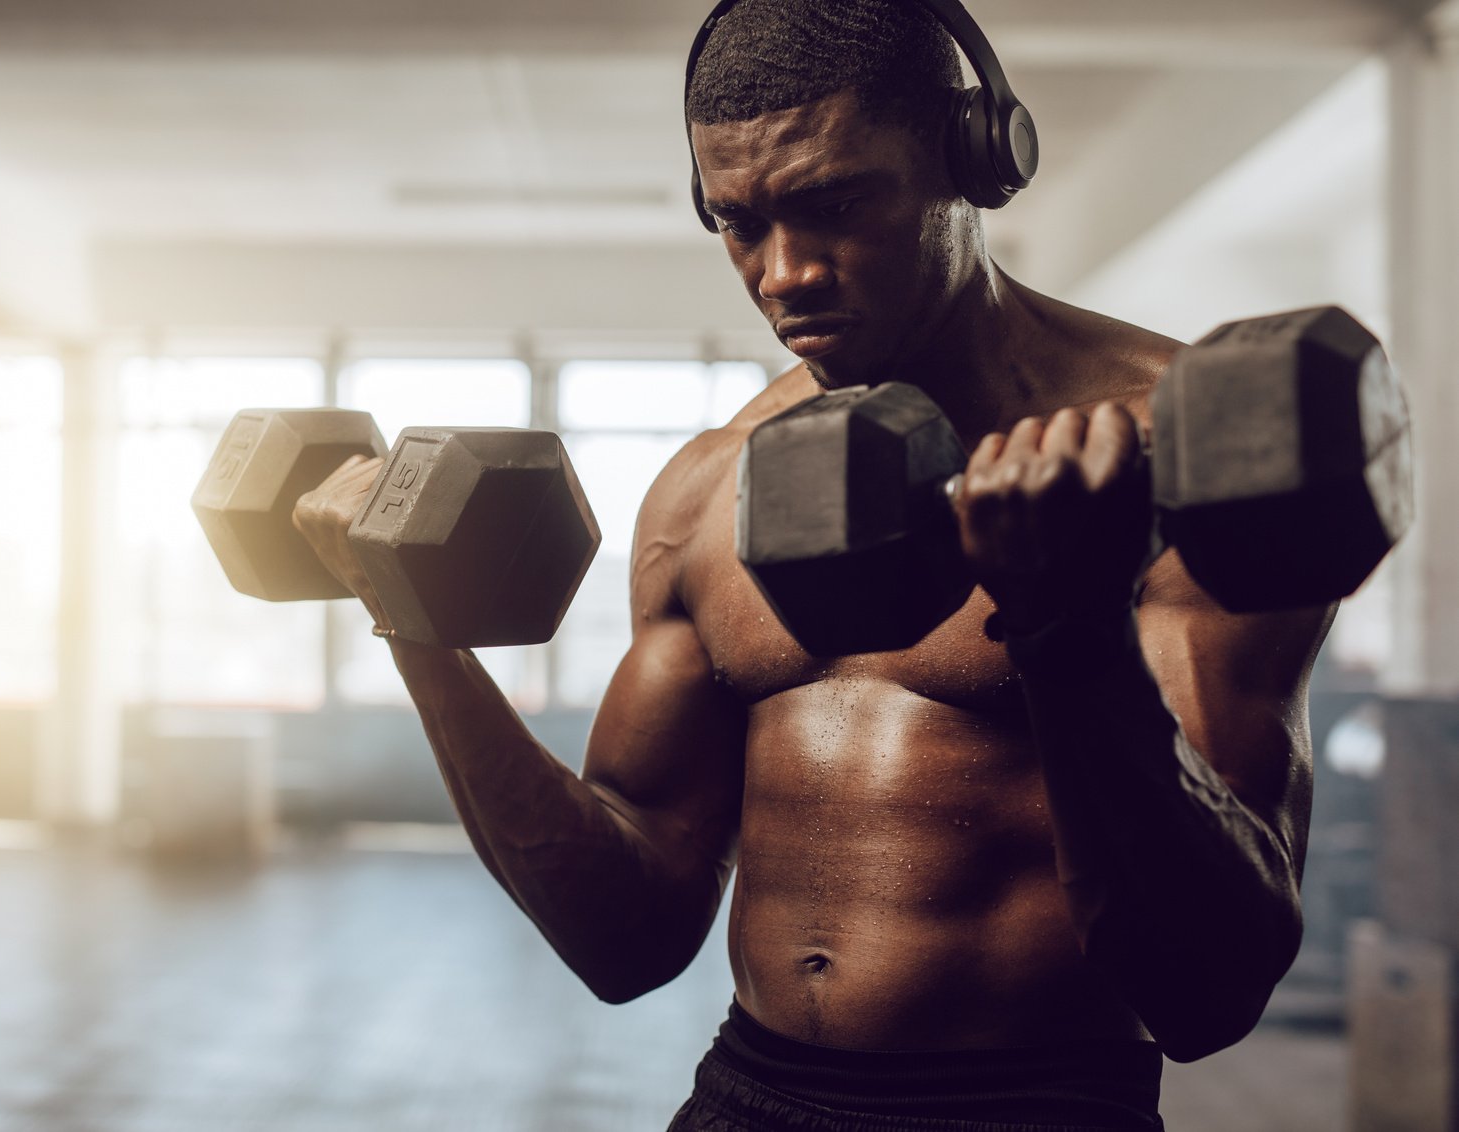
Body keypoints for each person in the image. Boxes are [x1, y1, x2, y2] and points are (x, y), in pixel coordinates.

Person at [292, 2, 1329, 1128]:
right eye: (738, 223)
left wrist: (1068, 622)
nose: (783, 273)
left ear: (974, 159)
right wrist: (412, 626)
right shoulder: (704, 492)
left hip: (1036, 1104)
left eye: (833, 205)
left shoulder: (1182, 457)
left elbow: (1207, 991)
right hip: (750, 1094)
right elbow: (624, 938)